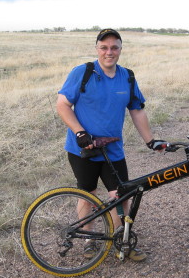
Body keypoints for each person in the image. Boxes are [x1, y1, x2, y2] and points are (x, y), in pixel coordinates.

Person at [56, 29, 165, 262]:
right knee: (88, 195)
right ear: (97, 49)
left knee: (121, 196)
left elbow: (137, 109)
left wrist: (150, 141)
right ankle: (89, 240)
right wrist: (79, 132)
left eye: (114, 47)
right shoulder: (82, 73)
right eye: (104, 47)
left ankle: (121, 240)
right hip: (82, 149)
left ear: (120, 49)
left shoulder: (127, 77)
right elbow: (63, 105)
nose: (109, 52)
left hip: (112, 150)